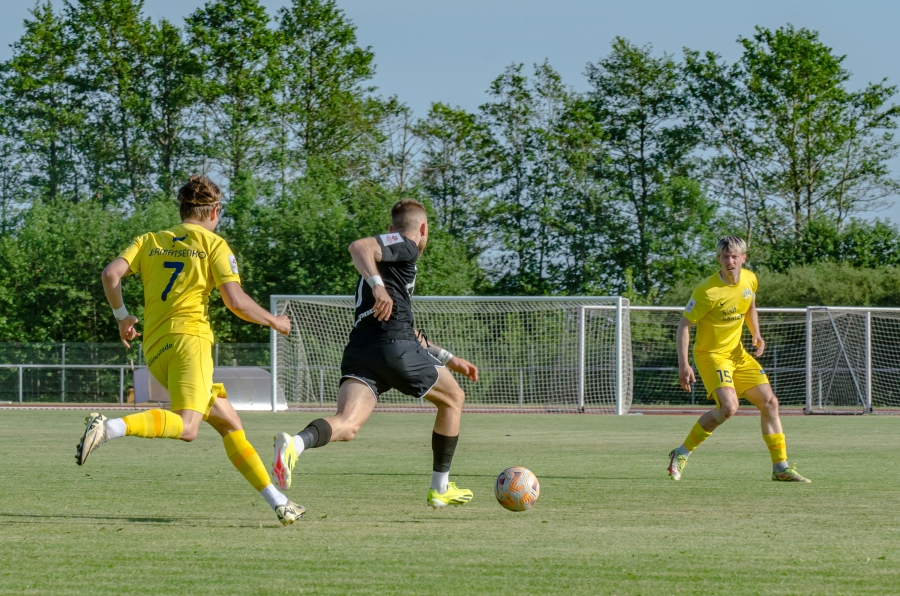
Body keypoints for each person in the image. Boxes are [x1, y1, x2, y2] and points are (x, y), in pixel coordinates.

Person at [76, 175, 304, 526]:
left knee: (230, 424)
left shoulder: (150, 240)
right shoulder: (214, 243)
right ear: (214, 210)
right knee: (188, 427)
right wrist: (276, 322)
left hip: (155, 348)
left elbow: (111, 275)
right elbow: (236, 301)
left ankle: (280, 502)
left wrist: (123, 318)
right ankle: (109, 427)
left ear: (182, 209)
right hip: (190, 343)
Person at [272, 198, 479, 509]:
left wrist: (450, 359)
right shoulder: (406, 245)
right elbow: (358, 246)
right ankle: (440, 488)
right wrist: (378, 287)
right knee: (454, 398)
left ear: (389, 229)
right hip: (393, 347)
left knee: (347, 424)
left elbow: (410, 331)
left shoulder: (389, 261)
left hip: (362, 351)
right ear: (422, 229)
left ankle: (295, 444)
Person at [667, 235, 810, 483]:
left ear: (743, 258)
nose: (730, 261)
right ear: (718, 259)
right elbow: (683, 326)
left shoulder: (750, 279)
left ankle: (781, 467)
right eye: (725, 256)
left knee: (770, 403)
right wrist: (684, 364)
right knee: (729, 407)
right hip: (712, 356)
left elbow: (750, 306)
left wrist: (756, 333)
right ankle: (681, 453)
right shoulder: (707, 291)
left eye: (735, 256)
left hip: (738, 353)